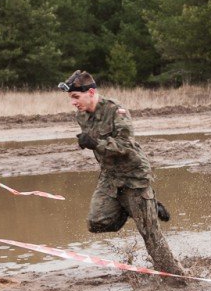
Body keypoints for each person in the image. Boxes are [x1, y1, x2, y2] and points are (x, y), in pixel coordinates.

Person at [59, 69, 186, 278]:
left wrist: (95, 143)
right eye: (71, 98)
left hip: (134, 176)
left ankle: (177, 277)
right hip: (110, 176)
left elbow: (126, 146)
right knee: (96, 223)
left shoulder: (116, 111)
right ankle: (137, 207)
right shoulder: (81, 116)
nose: (73, 102)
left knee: (150, 236)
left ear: (90, 92)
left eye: (76, 97)